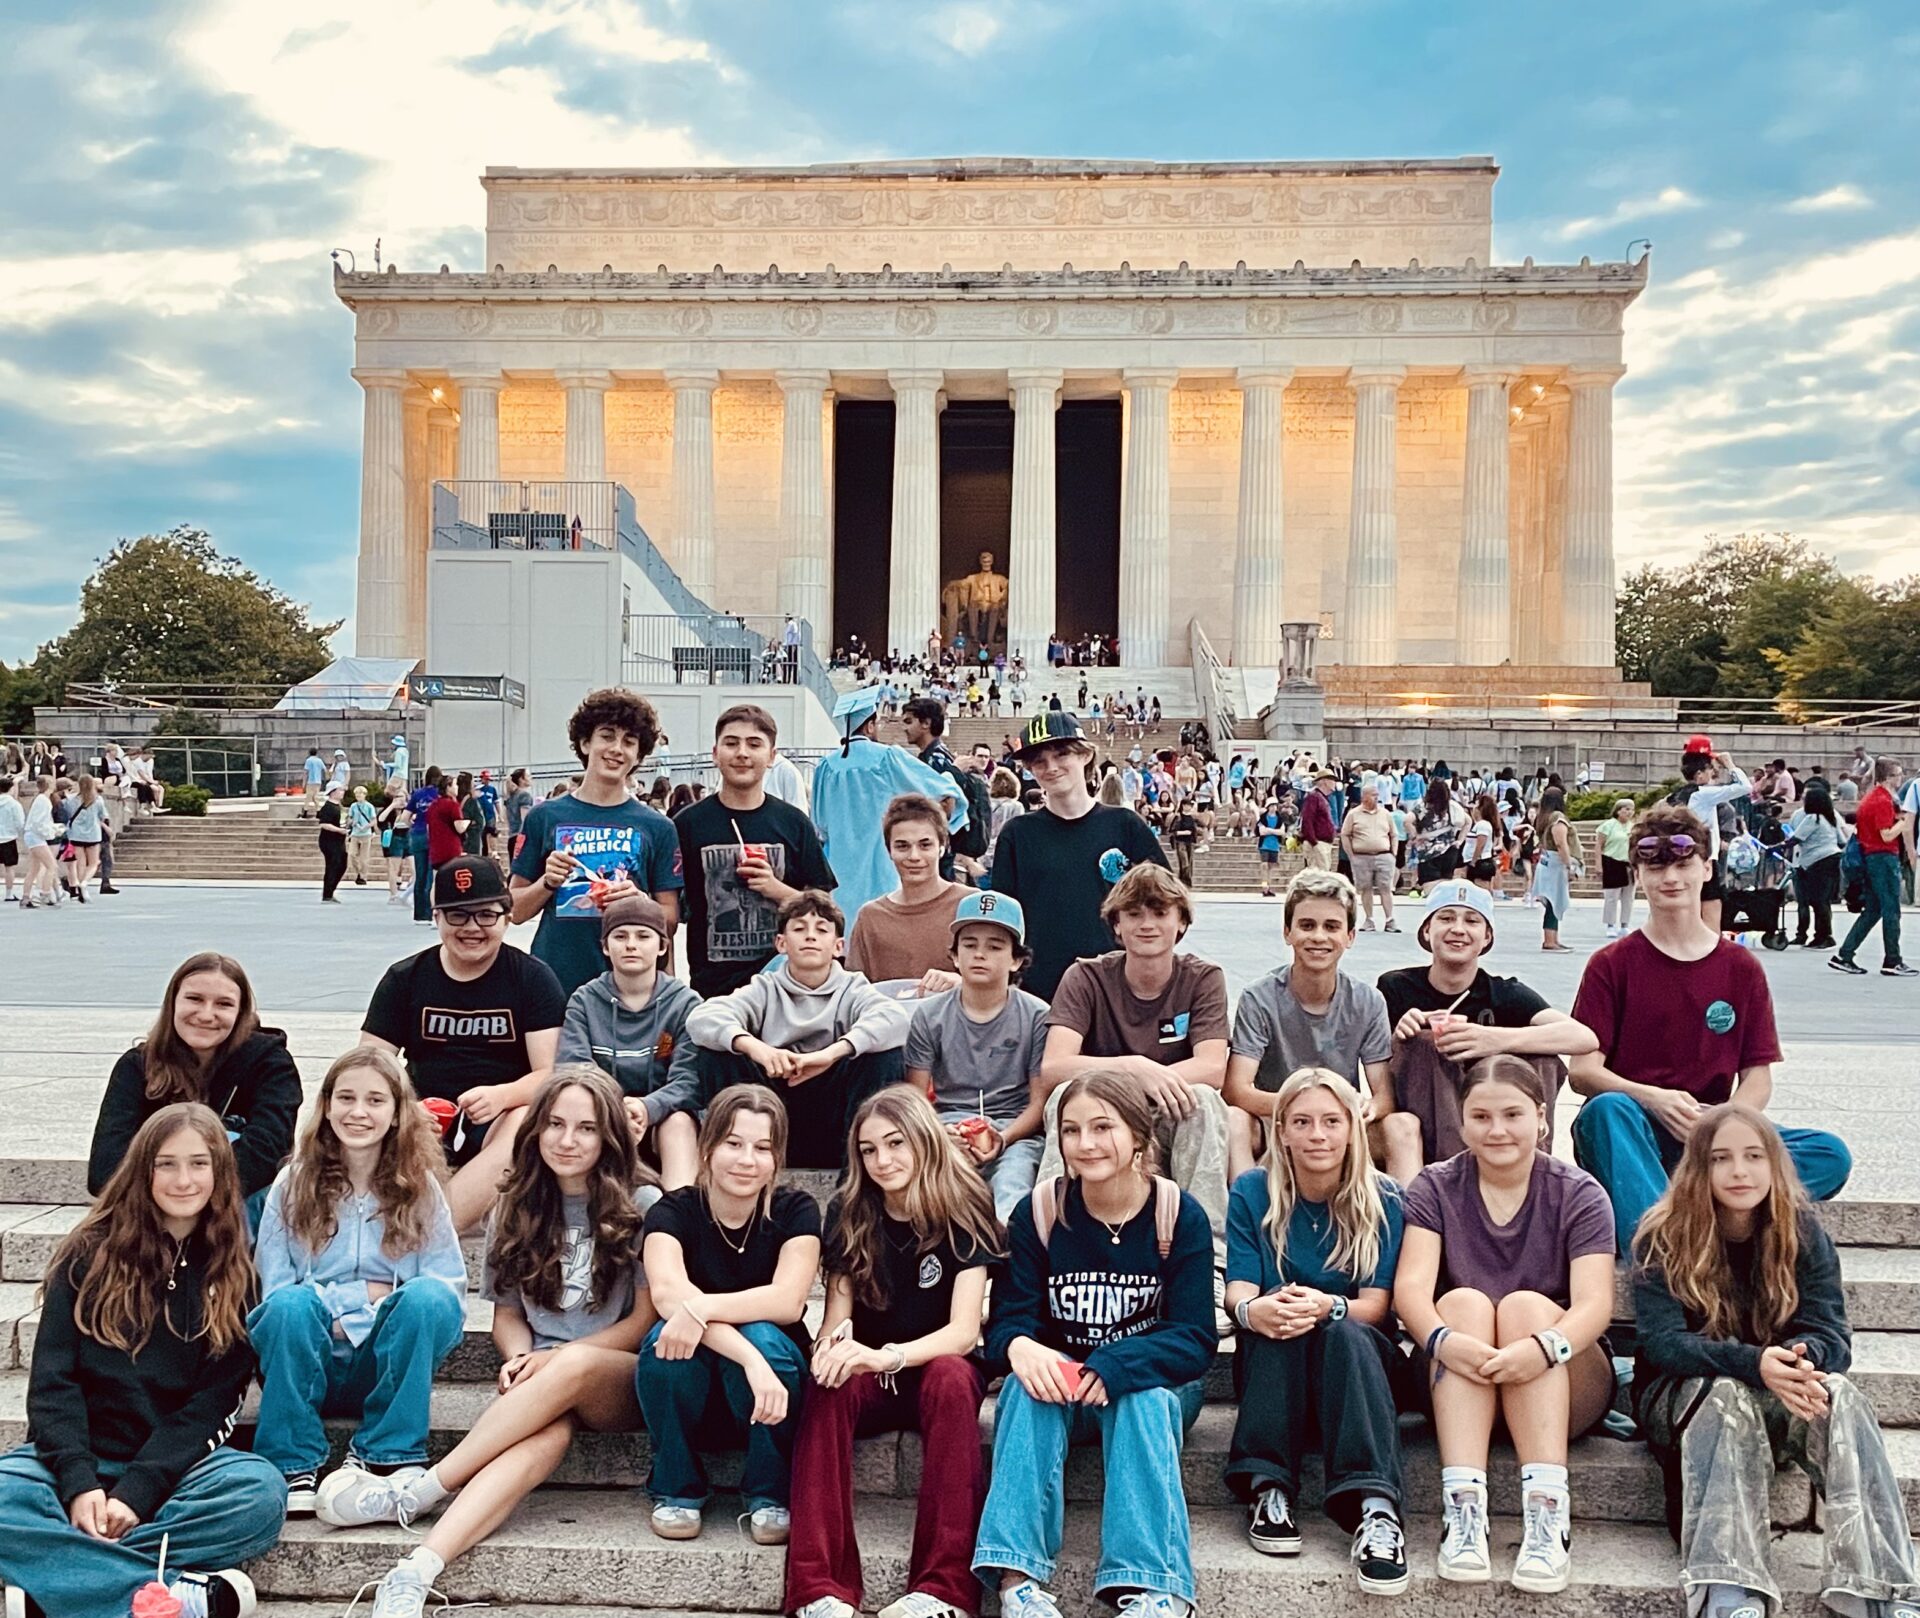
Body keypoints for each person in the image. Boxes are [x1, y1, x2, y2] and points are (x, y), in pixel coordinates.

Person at [352, 1068, 663, 1618]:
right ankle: (416, 1571)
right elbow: (508, 1316)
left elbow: (643, 1321)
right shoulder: (515, 1203)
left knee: (576, 1363)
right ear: (536, 1129)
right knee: (538, 1445)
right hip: (540, 1383)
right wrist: (521, 1357)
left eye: (586, 1128)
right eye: (555, 1124)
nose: (567, 1140)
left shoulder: (643, 1202)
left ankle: (423, 1489)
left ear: (610, 1135)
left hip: (617, 1377)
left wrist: (552, 1360)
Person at [1632, 1104, 1920, 1618]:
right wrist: (1754, 1362)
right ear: (1698, 1167)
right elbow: (1663, 1345)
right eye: (1721, 1158)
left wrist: (1801, 1362)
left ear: (1774, 1164)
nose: (1739, 1171)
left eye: (1753, 1156)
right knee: (1725, 1393)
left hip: (1780, 1391)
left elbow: (1832, 1333)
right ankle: (1728, 1590)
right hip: (1686, 1402)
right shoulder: (1664, 1235)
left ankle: (1878, 1586)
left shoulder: (1801, 1232)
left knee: (1840, 1392)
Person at [0, 1105, 286, 1618]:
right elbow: (52, 1383)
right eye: (166, 1164)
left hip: (177, 1470)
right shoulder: (87, 1255)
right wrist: (79, 1482)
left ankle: (56, 1590)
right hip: (77, 1459)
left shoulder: (237, 1275)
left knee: (259, 1495)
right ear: (143, 1170)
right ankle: (171, 1593)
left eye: (199, 1164)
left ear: (220, 1172)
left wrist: (137, 1492)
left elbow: (211, 1408)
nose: (183, 1180)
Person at [972, 1072, 1215, 1618]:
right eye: (1072, 1130)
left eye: (1103, 1128)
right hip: (1064, 1385)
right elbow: (1007, 1321)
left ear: (1138, 1136)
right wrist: (1019, 1348)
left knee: (1143, 1397)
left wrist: (1113, 1364)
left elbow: (1195, 1337)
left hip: (1155, 1387)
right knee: (1025, 1390)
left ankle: (1154, 1589)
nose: (1086, 1144)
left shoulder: (1178, 1214)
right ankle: (1017, 1583)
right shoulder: (1040, 1212)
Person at [1569, 803, 1853, 1252]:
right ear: (1638, 875)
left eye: (1683, 866)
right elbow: (1583, 1071)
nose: (1671, 878)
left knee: (1828, 1154)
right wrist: (1654, 1098)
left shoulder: (1741, 967)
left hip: (1712, 1129)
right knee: (1604, 1112)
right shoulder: (1611, 964)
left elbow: (1757, 1076)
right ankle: (1663, 1251)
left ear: (1706, 869)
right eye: (1656, 868)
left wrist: (1723, 1126)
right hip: (1636, 1129)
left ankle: (1689, 1204)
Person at [1392, 1056, 1617, 1594]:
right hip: (1460, 1377)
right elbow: (1411, 1291)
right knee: (1463, 1303)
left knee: (1525, 1309)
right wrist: (1446, 1341)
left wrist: (1542, 1348)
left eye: (1513, 1114)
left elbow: (1595, 1304)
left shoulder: (1579, 1192)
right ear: (1463, 1120)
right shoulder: (1434, 1186)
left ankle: (1547, 1518)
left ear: (1541, 1117)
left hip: (1560, 1378)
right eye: (1481, 1116)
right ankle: (1463, 1514)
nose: (1497, 1130)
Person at [786, 1088, 1003, 1618]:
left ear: (923, 1139)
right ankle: (818, 1590)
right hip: (872, 1375)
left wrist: (885, 1356)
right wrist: (831, 1351)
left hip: (933, 1368)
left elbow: (963, 1332)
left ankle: (944, 1592)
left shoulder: (966, 1202)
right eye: (868, 1150)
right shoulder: (849, 1209)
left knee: (953, 1376)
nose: (882, 1160)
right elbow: (836, 1321)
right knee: (828, 1382)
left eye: (895, 1143)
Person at [248, 1047, 466, 1521]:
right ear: (327, 1106)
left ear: (397, 1113)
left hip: (384, 1363)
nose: (358, 1112)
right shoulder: (291, 1184)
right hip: (308, 1360)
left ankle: (388, 1454)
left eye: (375, 1100)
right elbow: (275, 1290)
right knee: (290, 1307)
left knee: (426, 1298)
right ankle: (291, 1464)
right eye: (346, 1098)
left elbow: (447, 1287)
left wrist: (359, 1313)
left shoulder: (420, 1188)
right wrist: (364, 1297)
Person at [1224, 1069, 1408, 1594]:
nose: (1317, 1135)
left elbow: (1376, 1306)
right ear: (1281, 1131)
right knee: (1277, 1319)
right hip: (1277, 1374)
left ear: (1352, 1128)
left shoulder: (1384, 1197)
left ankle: (1376, 1508)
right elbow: (1238, 1290)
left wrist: (1329, 1306)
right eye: (1302, 1122)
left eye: (1331, 1121)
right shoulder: (1253, 1191)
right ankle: (1268, 1487)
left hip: (1357, 1373)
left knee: (1342, 1330)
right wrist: (1254, 1311)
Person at [634, 1086, 820, 1544]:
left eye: (763, 1148)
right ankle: (676, 1485)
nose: (746, 1160)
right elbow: (667, 1296)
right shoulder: (673, 1211)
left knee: (764, 1336)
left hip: (774, 1390)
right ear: (708, 1146)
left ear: (777, 1157)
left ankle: (770, 1491)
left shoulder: (796, 1210)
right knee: (666, 1342)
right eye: (733, 1143)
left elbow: (787, 1301)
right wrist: (749, 1358)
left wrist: (701, 1307)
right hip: (709, 1383)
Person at [1037, 863, 1232, 1290]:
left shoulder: (1203, 977)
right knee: (1064, 1097)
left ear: (1181, 923)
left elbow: (1212, 1067)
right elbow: (1054, 1066)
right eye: (1134, 913)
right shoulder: (1085, 976)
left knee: (1205, 1101)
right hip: (1104, 1113)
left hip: (1169, 1110)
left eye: (1160, 913)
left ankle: (1209, 1264)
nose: (1147, 924)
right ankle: (1049, 1247)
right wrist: (1132, 1068)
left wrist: (1150, 1080)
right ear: (1116, 925)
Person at [361, 855, 567, 1230]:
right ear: (437, 917)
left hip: (499, 1117)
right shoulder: (404, 979)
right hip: (420, 1114)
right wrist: (405, 1109)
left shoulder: (533, 979)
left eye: (486, 915)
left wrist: (502, 1096)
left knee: (524, 1120)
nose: (472, 928)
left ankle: (433, 1232)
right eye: (458, 916)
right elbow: (367, 1068)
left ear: (507, 917)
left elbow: (549, 1074)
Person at [1373, 881, 1597, 1185]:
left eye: (1472, 921)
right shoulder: (1396, 987)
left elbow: (1583, 1037)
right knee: (1423, 1044)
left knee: (1543, 1056)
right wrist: (1401, 1032)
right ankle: (1456, 1178)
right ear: (1427, 930)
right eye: (1446, 918)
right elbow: (1380, 1064)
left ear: (1486, 937)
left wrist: (1493, 1039)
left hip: (1491, 1120)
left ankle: (1530, 1171)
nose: (1458, 929)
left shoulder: (1503, 993)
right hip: (1421, 1126)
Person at [686, 891, 910, 1170]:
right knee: (718, 1052)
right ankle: (739, 1154)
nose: (810, 936)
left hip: (837, 1118)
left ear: (838, 946)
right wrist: (758, 1049)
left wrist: (829, 1055)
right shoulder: (764, 988)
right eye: (799, 929)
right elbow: (702, 1017)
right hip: (772, 1111)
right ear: (781, 943)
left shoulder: (853, 988)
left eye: (822, 930)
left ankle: (860, 1168)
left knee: (882, 1055)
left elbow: (895, 1018)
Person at [88, 951, 302, 1214]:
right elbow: (105, 1169)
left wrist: (196, 1198)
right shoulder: (136, 1066)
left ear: (240, 1012)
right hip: (153, 1212)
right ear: (172, 1003)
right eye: (194, 999)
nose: (206, 1015)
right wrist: (177, 1196)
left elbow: (267, 1153)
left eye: (223, 1004)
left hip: (234, 1212)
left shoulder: (271, 1064)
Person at [511, 688, 683, 999]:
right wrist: (547, 882)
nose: (616, 749)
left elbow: (670, 920)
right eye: (607, 736)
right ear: (585, 742)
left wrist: (640, 903)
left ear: (639, 756)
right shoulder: (543, 817)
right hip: (555, 982)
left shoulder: (658, 826)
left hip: (630, 990)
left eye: (629, 742)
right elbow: (515, 910)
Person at [1223, 870, 1393, 1180]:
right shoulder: (1259, 998)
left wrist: (1368, 1107)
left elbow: (1384, 1095)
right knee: (1234, 1120)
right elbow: (1236, 1090)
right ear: (1287, 932)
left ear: (1350, 937)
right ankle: (1245, 1203)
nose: (1318, 937)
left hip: (1339, 1121)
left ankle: (1408, 1210)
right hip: (1275, 1118)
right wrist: (1305, 1108)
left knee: (1403, 1126)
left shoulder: (1368, 1001)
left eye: (1332, 927)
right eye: (1307, 925)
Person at [989, 712, 1167, 1002]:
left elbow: (1167, 905)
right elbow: (1003, 918)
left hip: (1118, 989)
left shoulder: (1125, 826)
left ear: (1085, 755)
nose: (1051, 767)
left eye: (1062, 754)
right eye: (1039, 761)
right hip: (1041, 990)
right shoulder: (1017, 834)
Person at [903, 891, 1051, 1222]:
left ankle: (1005, 1251)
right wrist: (943, 1134)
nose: (980, 954)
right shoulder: (930, 1015)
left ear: (1016, 959)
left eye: (995, 947)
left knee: (1012, 1188)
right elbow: (916, 1097)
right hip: (948, 1124)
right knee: (935, 1191)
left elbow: (1039, 1104)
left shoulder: (1037, 1015)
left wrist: (1003, 1137)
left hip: (1014, 1129)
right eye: (969, 945)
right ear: (954, 956)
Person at [676, 705, 837, 998]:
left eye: (754, 744)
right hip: (713, 989)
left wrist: (776, 889)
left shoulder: (793, 822)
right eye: (731, 743)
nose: (742, 753)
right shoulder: (687, 824)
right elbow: (671, 905)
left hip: (787, 984)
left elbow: (825, 907)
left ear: (772, 756)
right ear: (715, 754)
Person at [558, 894, 702, 1190]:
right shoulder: (583, 1001)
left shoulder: (686, 1004)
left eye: (643, 936)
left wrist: (647, 1108)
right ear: (605, 947)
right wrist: (614, 1111)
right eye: (620, 936)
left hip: (661, 1118)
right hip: (601, 1115)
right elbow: (573, 1069)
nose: (631, 945)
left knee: (680, 1122)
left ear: (662, 946)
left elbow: (689, 1082)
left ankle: (677, 1209)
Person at [845, 793, 968, 989]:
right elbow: (854, 992)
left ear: (942, 847)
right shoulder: (870, 917)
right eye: (902, 846)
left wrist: (964, 984)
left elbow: (1001, 984)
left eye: (925, 845)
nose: (914, 856)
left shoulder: (970, 905)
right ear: (889, 851)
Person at [1831, 756, 1912, 977]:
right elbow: (1886, 835)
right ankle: (1892, 959)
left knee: (1874, 910)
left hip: (1870, 857)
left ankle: (1845, 954)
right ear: (1889, 777)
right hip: (1883, 857)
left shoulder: (1871, 798)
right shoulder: (1882, 800)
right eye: (1898, 774)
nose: (1901, 778)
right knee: (1891, 909)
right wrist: (1904, 823)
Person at [1787, 779, 1842, 949]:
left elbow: (1796, 838)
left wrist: (1777, 846)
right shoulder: (1829, 818)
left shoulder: (1813, 818)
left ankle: (1823, 936)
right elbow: (1841, 838)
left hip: (1817, 861)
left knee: (1818, 900)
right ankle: (1821, 935)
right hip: (1829, 858)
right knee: (1821, 900)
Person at [1340, 780, 1400, 931]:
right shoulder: (1353, 814)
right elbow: (1345, 834)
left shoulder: (1385, 814)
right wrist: (1351, 855)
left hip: (1384, 855)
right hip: (1361, 856)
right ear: (1364, 797)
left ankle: (1390, 919)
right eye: (1373, 795)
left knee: (1386, 887)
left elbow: (1394, 834)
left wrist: (1393, 853)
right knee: (1365, 888)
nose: (1376, 798)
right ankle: (1369, 919)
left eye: (1377, 795)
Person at [1531, 788, 1579, 950]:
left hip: (1547, 862)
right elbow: (1560, 843)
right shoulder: (1557, 818)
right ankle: (1550, 940)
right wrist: (1569, 865)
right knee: (1554, 901)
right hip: (1556, 864)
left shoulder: (1543, 817)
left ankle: (1552, 938)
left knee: (1554, 902)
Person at [1598, 797, 1635, 938]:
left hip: (1628, 864)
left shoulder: (1633, 827)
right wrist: (1598, 865)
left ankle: (1625, 924)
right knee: (1611, 896)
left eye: (1631, 810)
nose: (1629, 812)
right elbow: (1599, 846)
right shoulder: (1608, 826)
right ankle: (1610, 924)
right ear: (1618, 811)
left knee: (1628, 897)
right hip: (1612, 862)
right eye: (1626, 809)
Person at [1298, 770, 1338, 872]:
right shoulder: (1314, 797)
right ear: (1324, 781)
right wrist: (1314, 842)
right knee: (1318, 876)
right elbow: (1307, 820)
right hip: (1318, 843)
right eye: (1332, 779)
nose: (1334, 782)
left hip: (1323, 843)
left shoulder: (1322, 798)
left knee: (1323, 874)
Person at [317, 782, 349, 902]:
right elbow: (324, 824)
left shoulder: (339, 806)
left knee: (342, 864)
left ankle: (331, 890)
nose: (342, 792)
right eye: (340, 790)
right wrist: (339, 830)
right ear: (333, 792)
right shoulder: (328, 807)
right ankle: (327, 893)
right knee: (332, 865)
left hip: (339, 840)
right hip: (329, 841)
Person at [345, 783, 379, 887]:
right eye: (357, 794)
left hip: (366, 833)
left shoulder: (369, 806)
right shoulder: (353, 806)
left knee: (364, 858)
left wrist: (366, 826)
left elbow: (374, 820)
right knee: (352, 854)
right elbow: (349, 818)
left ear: (364, 795)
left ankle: (363, 876)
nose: (358, 796)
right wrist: (352, 822)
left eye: (360, 794)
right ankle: (358, 872)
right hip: (355, 833)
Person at [503, 767, 535, 860]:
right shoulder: (525, 796)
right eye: (528, 776)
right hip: (521, 838)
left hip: (512, 836)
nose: (531, 778)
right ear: (521, 779)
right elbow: (525, 819)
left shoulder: (510, 797)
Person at [0, 775, 20, 906]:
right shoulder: (14, 804)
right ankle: (9, 893)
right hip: (9, 837)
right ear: (11, 788)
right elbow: (19, 822)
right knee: (9, 867)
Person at [303, 747, 325, 816]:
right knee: (316, 796)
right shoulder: (319, 760)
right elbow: (324, 769)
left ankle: (305, 811)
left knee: (308, 797)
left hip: (310, 781)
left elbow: (306, 772)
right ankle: (318, 810)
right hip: (318, 781)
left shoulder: (308, 760)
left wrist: (304, 783)